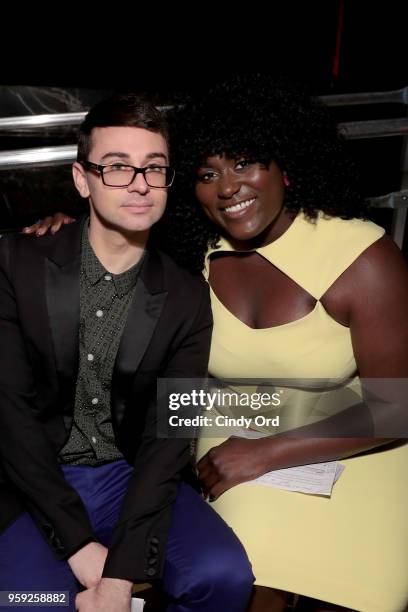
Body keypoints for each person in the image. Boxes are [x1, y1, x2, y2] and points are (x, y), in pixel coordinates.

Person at [29, 76, 408, 612]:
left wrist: (265, 452)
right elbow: (109, 243)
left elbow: (398, 407)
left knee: (366, 590)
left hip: (355, 446)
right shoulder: (192, 251)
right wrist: (65, 229)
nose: (228, 187)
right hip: (226, 440)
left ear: (286, 165)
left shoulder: (360, 257)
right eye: (208, 173)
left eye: (245, 162)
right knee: (245, 577)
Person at [0, 93, 254, 612]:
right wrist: (76, 545)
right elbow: (11, 418)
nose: (139, 184)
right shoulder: (15, 263)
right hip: (30, 477)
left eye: (153, 168)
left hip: (129, 477)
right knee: (29, 599)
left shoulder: (185, 295)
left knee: (223, 577)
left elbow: (168, 438)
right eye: (117, 167)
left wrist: (118, 579)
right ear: (81, 179)